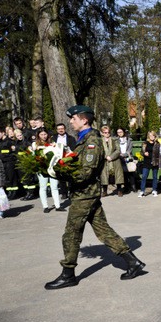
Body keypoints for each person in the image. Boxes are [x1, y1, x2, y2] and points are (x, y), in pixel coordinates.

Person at [44, 105, 145, 290]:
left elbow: (85, 173)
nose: (71, 121)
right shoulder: (83, 139)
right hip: (86, 194)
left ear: (84, 120)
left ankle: (68, 274)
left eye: (74, 118)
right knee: (103, 230)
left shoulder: (92, 142)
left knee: (71, 234)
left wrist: (58, 173)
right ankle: (133, 263)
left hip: (85, 195)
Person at [32, 128, 65, 213]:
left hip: (52, 167)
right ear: (38, 135)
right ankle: (45, 206)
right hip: (42, 168)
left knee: (54, 187)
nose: (44, 136)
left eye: (45, 134)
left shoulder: (52, 143)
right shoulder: (35, 144)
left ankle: (58, 205)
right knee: (43, 187)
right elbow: (34, 154)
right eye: (41, 134)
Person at [99, 126, 124, 197]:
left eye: (108, 132)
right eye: (105, 132)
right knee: (104, 176)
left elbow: (118, 150)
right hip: (104, 161)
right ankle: (105, 191)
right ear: (102, 133)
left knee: (118, 176)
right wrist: (105, 157)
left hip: (115, 160)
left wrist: (111, 157)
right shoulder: (99, 141)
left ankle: (119, 190)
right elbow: (99, 151)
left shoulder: (114, 139)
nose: (107, 134)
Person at [139, 130, 161, 197]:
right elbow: (141, 152)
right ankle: (142, 191)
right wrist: (144, 153)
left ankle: (154, 190)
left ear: (155, 136)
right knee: (144, 176)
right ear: (148, 136)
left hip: (155, 161)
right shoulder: (145, 143)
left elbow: (160, 152)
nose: (152, 137)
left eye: (153, 135)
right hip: (147, 162)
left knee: (155, 177)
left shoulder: (157, 143)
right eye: (150, 135)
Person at [116, 128, 136, 193]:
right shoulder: (116, 140)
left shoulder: (129, 140)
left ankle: (133, 186)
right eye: (118, 132)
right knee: (124, 173)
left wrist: (124, 154)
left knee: (130, 172)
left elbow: (129, 149)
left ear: (124, 132)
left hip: (128, 157)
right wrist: (119, 154)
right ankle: (126, 187)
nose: (119, 133)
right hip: (120, 158)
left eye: (121, 132)